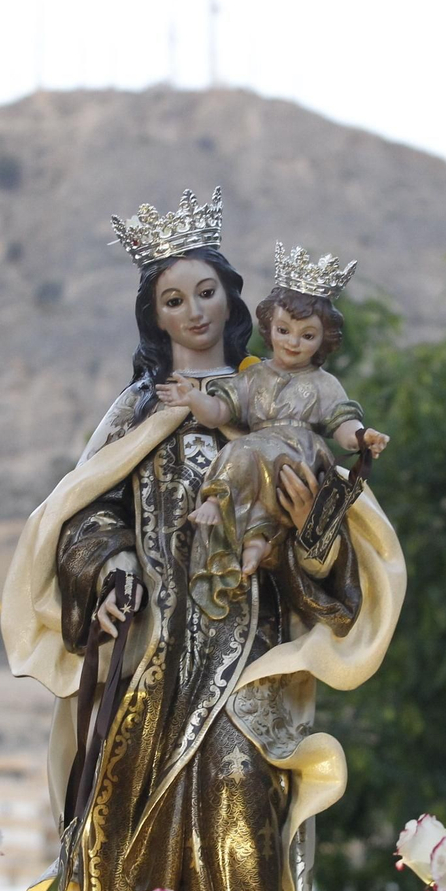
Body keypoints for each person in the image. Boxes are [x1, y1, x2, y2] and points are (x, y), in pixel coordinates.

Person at [2, 189, 405, 891]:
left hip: (247, 657)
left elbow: (331, 560)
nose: (193, 311)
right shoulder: (134, 411)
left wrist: (311, 525)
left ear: (232, 296)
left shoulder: (271, 404)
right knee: (127, 852)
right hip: (150, 665)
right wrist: (111, 567)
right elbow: (84, 513)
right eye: (173, 299)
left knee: (243, 811)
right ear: (154, 315)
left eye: (206, 292)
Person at [158, 242, 391, 620]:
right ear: (268, 328)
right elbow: (219, 412)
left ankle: (220, 503)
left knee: (244, 456)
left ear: (323, 340)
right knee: (252, 474)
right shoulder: (253, 376)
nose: (292, 343)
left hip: (299, 455)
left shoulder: (324, 383)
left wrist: (363, 438)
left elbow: (343, 423)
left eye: (307, 336)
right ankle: (252, 544)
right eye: (283, 330)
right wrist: (192, 398)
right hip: (261, 449)